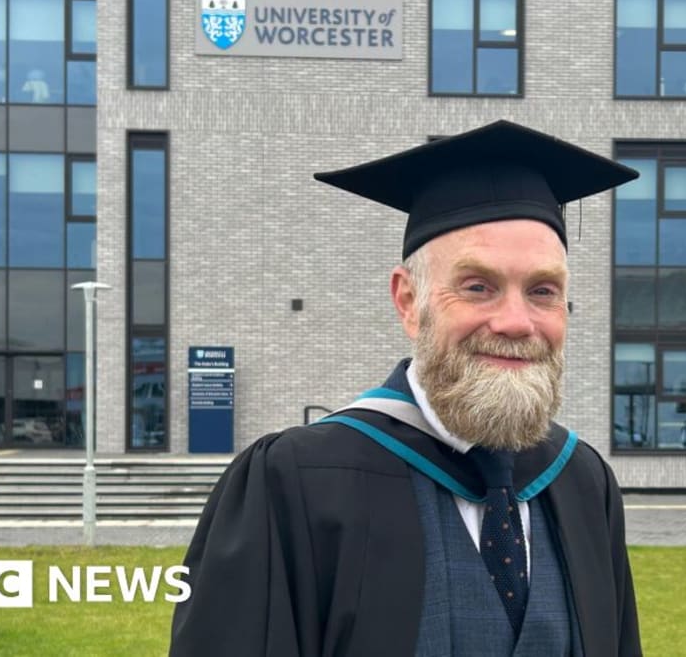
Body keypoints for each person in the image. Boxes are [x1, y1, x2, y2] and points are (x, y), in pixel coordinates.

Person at [170, 120, 644, 656]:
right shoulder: (294, 484)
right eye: (477, 287)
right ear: (407, 301)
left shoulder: (583, 484)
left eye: (542, 291)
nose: (516, 321)